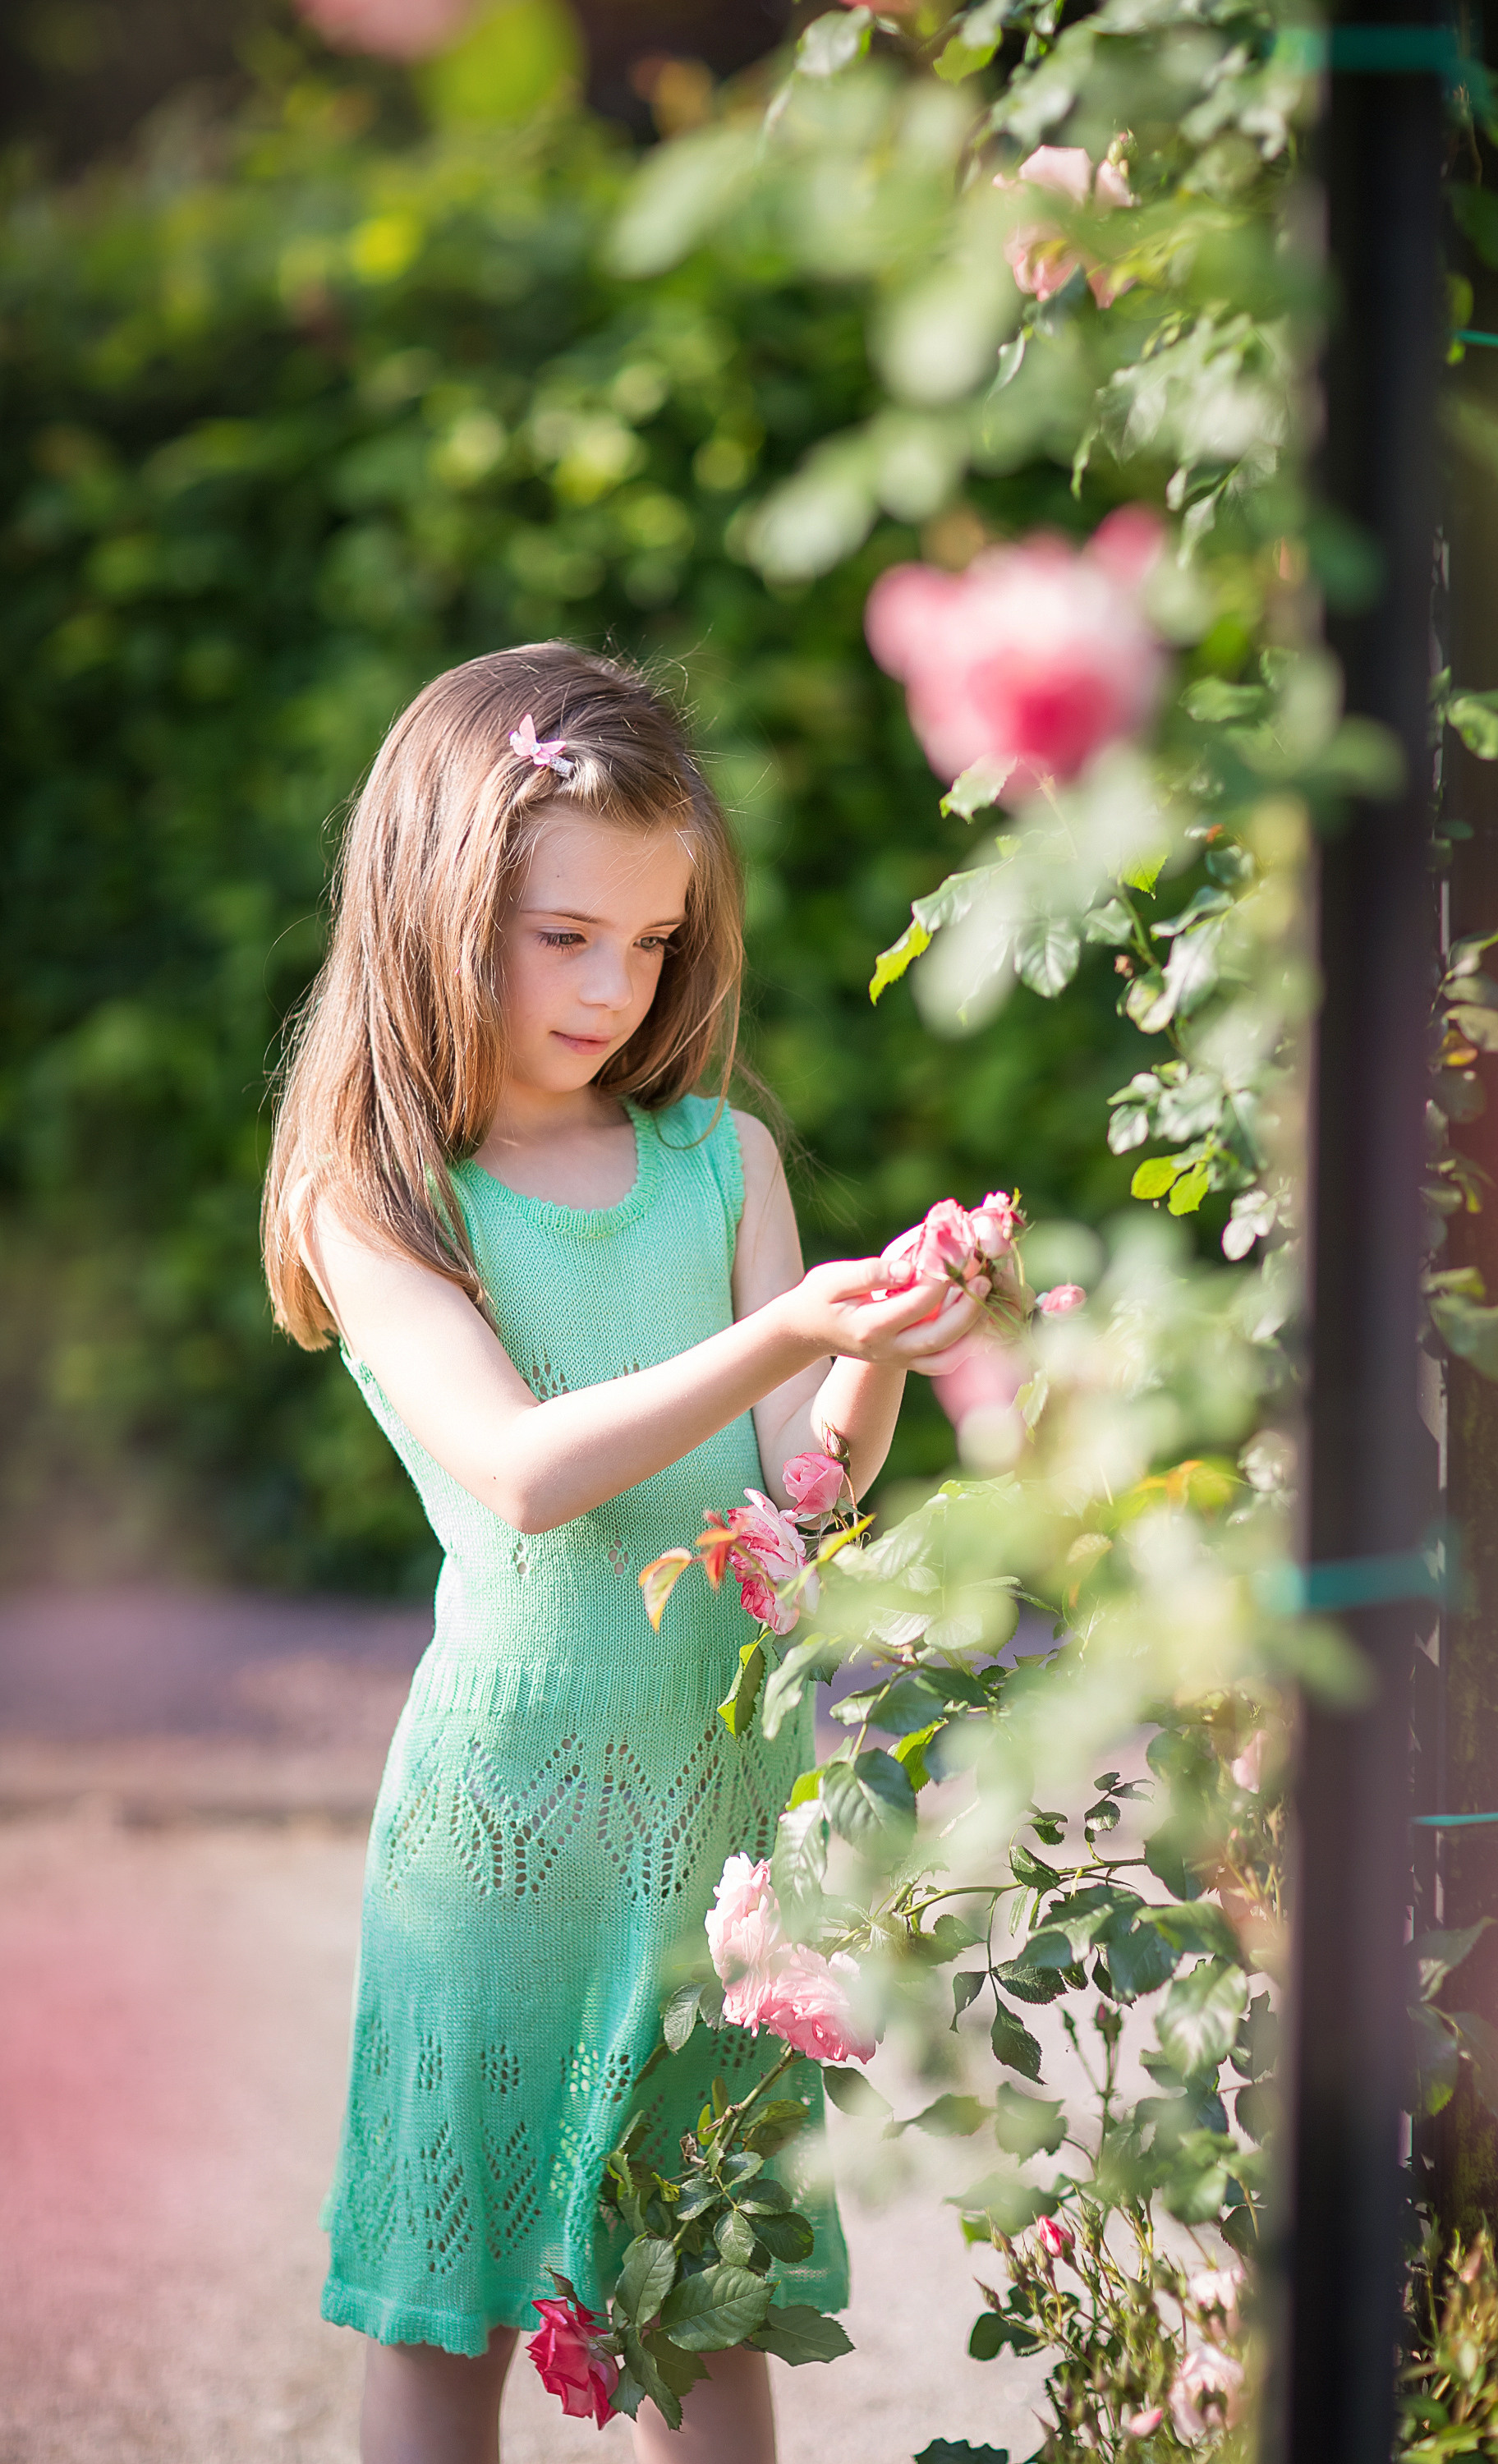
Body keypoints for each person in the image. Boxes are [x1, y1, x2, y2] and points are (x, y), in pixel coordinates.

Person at [261, 643, 986, 2464]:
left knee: (706, 2328)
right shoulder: (381, 1192)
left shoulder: (724, 1161)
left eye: (652, 944)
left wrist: (870, 1357)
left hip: (717, 1844)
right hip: (499, 1842)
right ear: (442, 908)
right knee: (450, 2329)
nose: (612, 986)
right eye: (562, 935)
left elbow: (787, 1509)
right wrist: (783, 1332)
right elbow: (521, 1471)